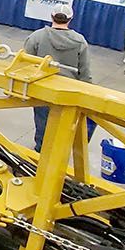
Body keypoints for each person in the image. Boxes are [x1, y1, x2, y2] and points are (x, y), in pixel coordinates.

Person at [23, 9, 94, 151]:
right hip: (68, 91)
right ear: (70, 19)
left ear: (51, 17)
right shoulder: (79, 41)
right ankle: (60, 150)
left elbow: (25, 64)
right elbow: (85, 71)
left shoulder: (36, 37)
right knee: (65, 122)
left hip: (42, 87)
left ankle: (41, 150)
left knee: (42, 121)